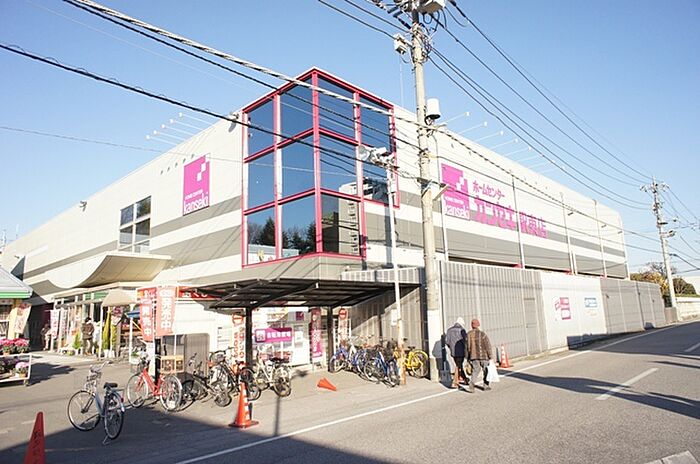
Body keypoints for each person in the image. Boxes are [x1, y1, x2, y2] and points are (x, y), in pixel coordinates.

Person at [467, 318, 493, 393]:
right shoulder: (482, 334)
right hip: (484, 356)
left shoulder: (468, 334)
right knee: (486, 371)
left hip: (474, 356)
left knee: (475, 371)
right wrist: (490, 356)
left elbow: (467, 347)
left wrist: (468, 357)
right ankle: (486, 385)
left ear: (472, 325)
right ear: (478, 325)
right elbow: (487, 345)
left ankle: (471, 384)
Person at [444, 317, 468, 389]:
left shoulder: (449, 330)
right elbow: (465, 341)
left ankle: (465, 379)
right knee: (458, 365)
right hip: (461, 351)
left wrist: (451, 347)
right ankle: (455, 382)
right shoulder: (462, 330)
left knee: (459, 365)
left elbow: (447, 341)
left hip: (453, 351)